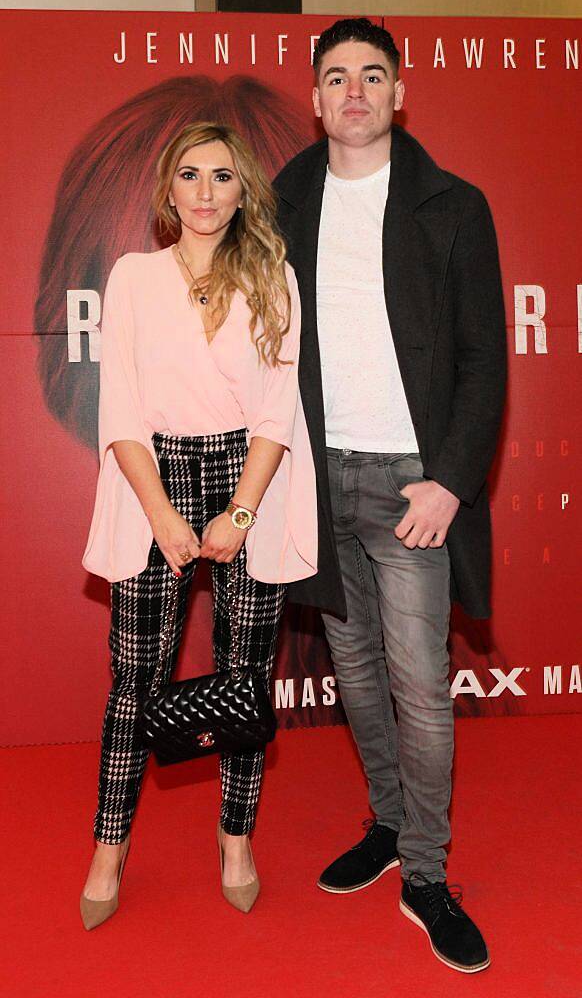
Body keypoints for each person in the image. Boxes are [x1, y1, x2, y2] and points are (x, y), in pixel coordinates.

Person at [275, 18, 506, 973]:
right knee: (356, 674)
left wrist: (451, 479)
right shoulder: (283, 199)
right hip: (317, 475)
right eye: (338, 77)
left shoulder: (454, 205)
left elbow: (485, 358)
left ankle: (424, 872)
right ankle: (385, 822)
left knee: (420, 685)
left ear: (400, 92)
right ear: (318, 97)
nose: (356, 92)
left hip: (414, 480)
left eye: (374, 75)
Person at [80, 121, 317, 929]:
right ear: (168, 190)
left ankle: (236, 838)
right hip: (155, 477)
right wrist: (163, 517)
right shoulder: (134, 276)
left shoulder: (273, 273)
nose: (207, 192)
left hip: (251, 475)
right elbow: (119, 408)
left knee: (243, 677)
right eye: (191, 175)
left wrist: (241, 514)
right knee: (133, 679)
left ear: (243, 188)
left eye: (223, 175)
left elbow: (278, 411)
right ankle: (109, 848)